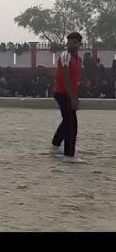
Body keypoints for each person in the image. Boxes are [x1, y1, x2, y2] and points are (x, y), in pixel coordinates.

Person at [51, 32, 85, 163]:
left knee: (67, 121)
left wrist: (75, 97)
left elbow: (75, 80)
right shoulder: (66, 56)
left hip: (69, 93)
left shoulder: (77, 58)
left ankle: (55, 146)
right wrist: (72, 98)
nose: (71, 45)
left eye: (74, 42)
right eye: (69, 42)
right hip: (62, 93)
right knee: (71, 124)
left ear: (79, 44)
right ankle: (69, 155)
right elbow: (65, 79)